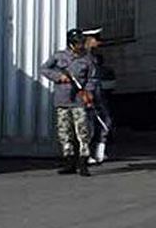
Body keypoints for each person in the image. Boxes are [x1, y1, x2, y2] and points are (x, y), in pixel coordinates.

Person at [41, 28, 95, 177]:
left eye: (81, 42)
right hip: (63, 100)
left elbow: (91, 77)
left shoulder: (87, 59)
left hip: (79, 100)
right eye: (78, 43)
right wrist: (59, 77)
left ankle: (83, 162)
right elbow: (44, 69)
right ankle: (69, 162)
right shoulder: (59, 56)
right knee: (64, 132)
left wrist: (88, 92)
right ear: (71, 43)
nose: (80, 45)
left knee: (83, 131)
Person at [82, 28, 114, 165]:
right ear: (89, 40)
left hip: (98, 91)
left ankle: (100, 150)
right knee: (88, 123)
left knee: (105, 120)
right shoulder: (81, 57)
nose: (99, 42)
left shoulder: (94, 56)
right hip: (87, 91)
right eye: (96, 39)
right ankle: (86, 153)